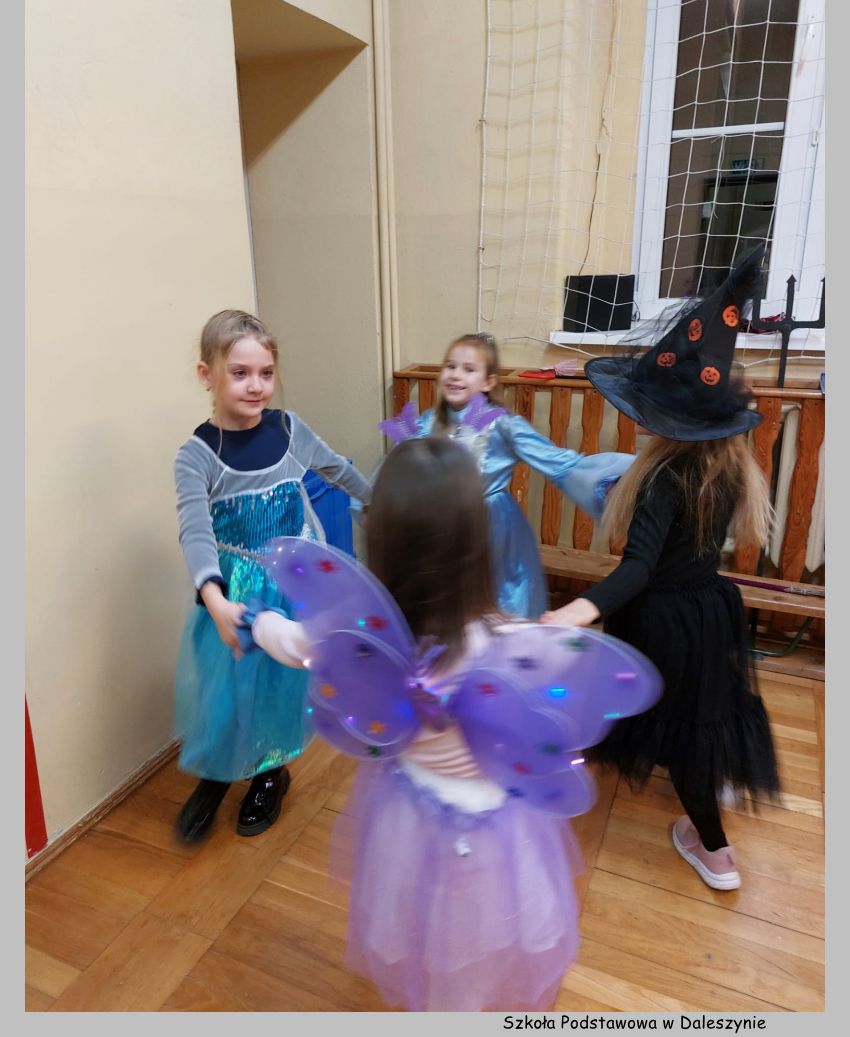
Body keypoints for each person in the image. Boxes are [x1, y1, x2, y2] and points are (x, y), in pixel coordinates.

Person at [241, 438, 659, 1011]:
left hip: (409, 817)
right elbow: (561, 706)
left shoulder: (358, 645)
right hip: (496, 832)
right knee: (480, 937)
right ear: (476, 547)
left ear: (383, 543)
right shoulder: (510, 645)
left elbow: (292, 642)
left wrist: (256, 621)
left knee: (416, 925)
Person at [542, 245, 781, 891]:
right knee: (705, 706)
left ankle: (715, 850)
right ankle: (708, 775)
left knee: (676, 724)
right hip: (709, 608)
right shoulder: (728, 470)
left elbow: (640, 568)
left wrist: (578, 609)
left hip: (661, 619)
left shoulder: (662, 479)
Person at [172, 309, 371, 844]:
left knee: (278, 684)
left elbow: (337, 469)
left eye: (265, 373)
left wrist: (381, 503)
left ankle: (269, 772)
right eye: (240, 373)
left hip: (290, 584)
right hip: (231, 594)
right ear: (207, 374)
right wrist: (215, 600)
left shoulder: (289, 429)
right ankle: (217, 771)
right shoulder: (197, 456)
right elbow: (196, 532)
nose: (256, 386)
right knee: (224, 687)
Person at [378, 331, 634, 618]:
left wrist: (614, 479)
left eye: (469, 369)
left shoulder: (502, 424)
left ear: (488, 382)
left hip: (492, 530)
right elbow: (403, 469)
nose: (456, 374)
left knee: (495, 603)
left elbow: (558, 462)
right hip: (443, 527)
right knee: (448, 604)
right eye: (450, 366)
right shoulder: (427, 424)